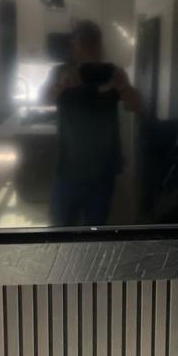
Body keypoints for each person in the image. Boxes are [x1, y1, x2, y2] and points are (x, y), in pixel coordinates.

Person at [42, 20, 141, 227]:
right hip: (68, 169)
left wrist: (123, 87)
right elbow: (43, 100)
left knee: (95, 229)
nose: (88, 46)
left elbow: (135, 106)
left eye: (92, 40)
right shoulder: (61, 72)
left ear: (99, 44)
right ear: (73, 44)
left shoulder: (113, 72)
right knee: (60, 228)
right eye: (82, 40)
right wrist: (61, 85)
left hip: (103, 172)